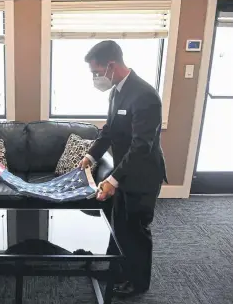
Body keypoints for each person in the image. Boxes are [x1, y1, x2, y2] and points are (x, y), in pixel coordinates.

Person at [79, 40, 167, 297]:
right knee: (120, 226)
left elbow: (141, 146)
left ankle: (137, 283)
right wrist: (91, 155)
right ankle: (119, 271)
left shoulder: (145, 96)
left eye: (96, 72)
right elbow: (109, 131)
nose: (96, 78)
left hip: (142, 175)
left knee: (136, 231)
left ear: (111, 65)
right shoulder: (116, 91)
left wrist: (113, 179)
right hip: (123, 170)